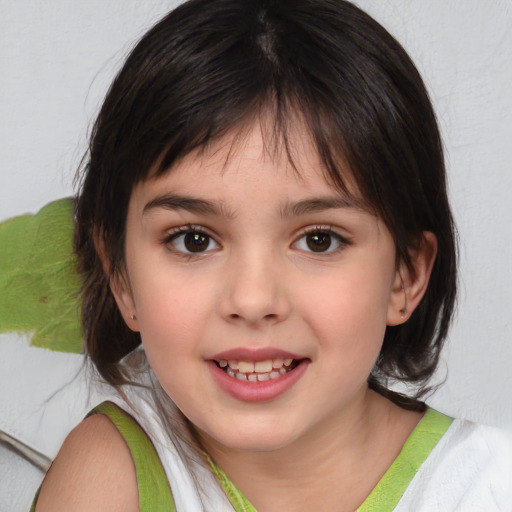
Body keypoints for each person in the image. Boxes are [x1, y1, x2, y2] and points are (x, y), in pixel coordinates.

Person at [33, 0, 512, 510]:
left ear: (406, 276)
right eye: (193, 240)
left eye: (319, 239)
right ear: (121, 277)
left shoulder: (488, 486)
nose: (254, 299)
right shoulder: (112, 475)